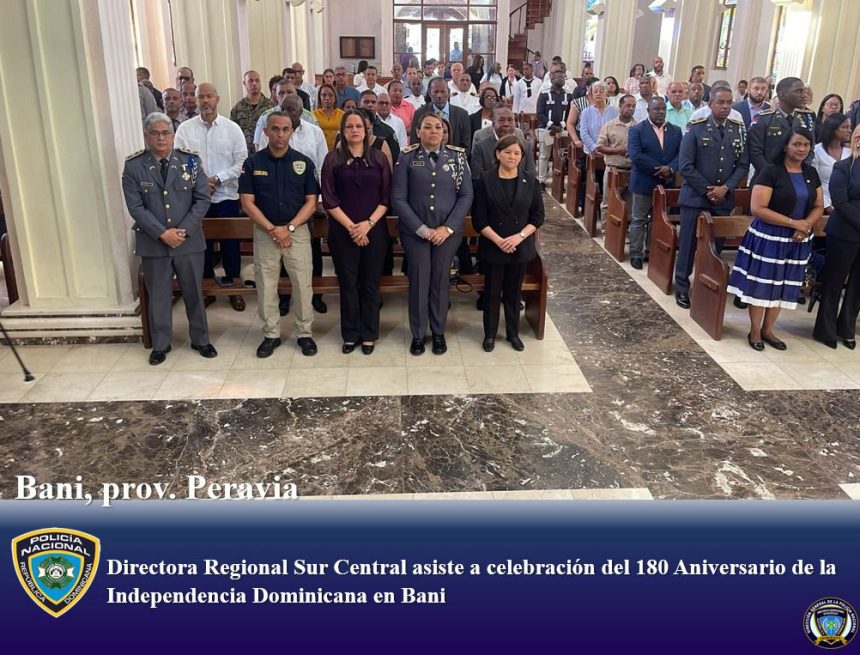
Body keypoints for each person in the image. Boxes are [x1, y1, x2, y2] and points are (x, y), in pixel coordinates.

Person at [122, 112, 216, 365]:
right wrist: (162, 233)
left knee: (194, 292)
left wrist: (182, 231)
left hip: (189, 241)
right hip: (153, 242)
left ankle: (201, 339)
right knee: (159, 295)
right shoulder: (133, 166)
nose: (161, 138)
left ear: (173, 135)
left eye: (166, 132)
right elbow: (136, 207)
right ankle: (161, 344)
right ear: (147, 136)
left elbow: (202, 199)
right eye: (155, 133)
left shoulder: (191, 161)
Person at [727, 127, 823, 350]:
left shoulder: (810, 173)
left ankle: (769, 329)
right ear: (785, 146)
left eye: (806, 145)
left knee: (783, 285)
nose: (801, 149)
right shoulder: (771, 172)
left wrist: (806, 224)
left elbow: (818, 205)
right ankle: (755, 330)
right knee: (763, 285)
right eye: (797, 144)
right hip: (769, 237)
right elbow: (757, 208)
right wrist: (794, 223)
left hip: (798, 240)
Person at [238, 111, 320, 359]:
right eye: (275, 129)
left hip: (297, 232)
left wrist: (290, 228)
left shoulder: (303, 163)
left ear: (291, 132)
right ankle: (271, 333)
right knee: (266, 285)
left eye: (285, 129)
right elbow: (247, 203)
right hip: (266, 232)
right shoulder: (253, 163)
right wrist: (273, 230)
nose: (280, 134)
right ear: (266, 131)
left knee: (303, 284)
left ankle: (304, 333)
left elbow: (311, 202)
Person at [392, 112, 473, 356]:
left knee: (440, 281)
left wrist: (446, 228)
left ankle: (438, 332)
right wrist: (422, 229)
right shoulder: (407, 157)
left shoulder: (458, 157)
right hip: (415, 233)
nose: (433, 131)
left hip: (447, 234)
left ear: (444, 132)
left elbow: (466, 195)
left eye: (438, 127)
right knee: (419, 281)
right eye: (428, 127)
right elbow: (398, 198)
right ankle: (418, 334)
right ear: (418, 131)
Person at [321, 109, 391, 355]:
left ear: (366, 129)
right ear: (343, 130)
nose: (354, 130)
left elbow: (386, 197)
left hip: (374, 230)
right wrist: (352, 227)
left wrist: (367, 225)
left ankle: (369, 333)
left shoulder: (379, 158)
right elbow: (329, 199)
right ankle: (350, 333)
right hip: (343, 232)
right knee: (348, 283)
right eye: (349, 126)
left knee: (370, 283)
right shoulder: (332, 159)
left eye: (358, 126)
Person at [174, 83, 248, 312]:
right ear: (195, 101)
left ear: (217, 99)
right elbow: (179, 161)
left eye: (209, 96)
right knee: (201, 246)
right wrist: (201, 183)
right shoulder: (185, 130)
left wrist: (216, 179)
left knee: (230, 245)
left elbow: (241, 162)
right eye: (200, 97)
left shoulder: (232, 129)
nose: (205, 101)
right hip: (196, 200)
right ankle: (206, 289)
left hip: (226, 196)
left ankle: (234, 289)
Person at [674, 87, 749, 309]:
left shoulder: (738, 130)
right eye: (720, 102)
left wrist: (725, 188)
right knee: (687, 244)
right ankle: (681, 286)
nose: (725, 107)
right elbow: (685, 166)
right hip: (695, 197)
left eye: (729, 103)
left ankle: (706, 284)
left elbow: (743, 164)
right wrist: (709, 190)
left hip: (724, 199)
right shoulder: (696, 128)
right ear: (710, 104)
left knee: (715, 247)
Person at [471, 135, 544, 352]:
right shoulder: (485, 180)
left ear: (522, 157)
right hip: (494, 245)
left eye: (517, 153)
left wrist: (519, 237)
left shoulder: (530, 181)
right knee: (492, 293)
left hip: (520, 247)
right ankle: (490, 335)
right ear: (497, 154)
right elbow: (479, 219)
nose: (512, 157)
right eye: (507, 152)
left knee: (514, 294)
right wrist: (500, 240)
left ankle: (513, 333)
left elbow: (537, 217)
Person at [813, 124, 860, 349]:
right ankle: (825, 329)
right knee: (834, 282)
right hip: (844, 231)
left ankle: (847, 328)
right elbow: (840, 201)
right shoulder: (843, 167)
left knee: (858, 285)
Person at [627, 97, 683, 270]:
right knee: (639, 219)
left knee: (658, 220)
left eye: (663, 109)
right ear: (648, 111)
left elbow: (681, 154)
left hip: (666, 182)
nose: (660, 112)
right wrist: (660, 169)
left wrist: (671, 169)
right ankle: (636, 253)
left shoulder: (675, 130)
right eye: (656, 109)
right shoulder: (637, 130)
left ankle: (652, 251)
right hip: (644, 180)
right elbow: (636, 155)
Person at [748, 77, 815, 184]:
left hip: (797, 178)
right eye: (798, 91)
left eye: (804, 91)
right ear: (782, 94)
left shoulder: (806, 119)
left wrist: (798, 171)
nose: (804, 95)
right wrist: (773, 175)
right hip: (767, 180)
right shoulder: (764, 119)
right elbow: (755, 152)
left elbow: (810, 150)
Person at [595, 94, 637, 224]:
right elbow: (600, 147)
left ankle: (625, 232)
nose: (631, 109)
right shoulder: (609, 126)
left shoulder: (638, 126)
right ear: (620, 106)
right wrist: (618, 150)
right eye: (628, 105)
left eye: (633, 106)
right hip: (613, 169)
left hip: (631, 170)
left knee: (629, 204)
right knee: (609, 202)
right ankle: (606, 229)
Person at [410, 77, 471, 157]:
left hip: (454, 163)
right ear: (429, 93)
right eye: (435, 92)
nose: (439, 95)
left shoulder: (462, 115)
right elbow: (415, 144)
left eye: (443, 92)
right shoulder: (419, 114)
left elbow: (466, 147)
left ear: (448, 92)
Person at [471, 104, 534, 179]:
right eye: (501, 120)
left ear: (515, 123)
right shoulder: (481, 147)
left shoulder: (525, 146)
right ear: (493, 124)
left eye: (510, 120)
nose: (506, 124)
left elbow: (530, 176)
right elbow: (477, 178)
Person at [536, 69, 574, 186]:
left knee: (562, 156)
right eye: (559, 77)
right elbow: (540, 113)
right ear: (552, 79)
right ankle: (541, 181)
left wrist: (561, 126)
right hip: (547, 129)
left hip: (562, 130)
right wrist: (551, 125)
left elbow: (570, 113)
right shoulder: (544, 94)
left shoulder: (568, 95)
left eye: (563, 77)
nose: (562, 79)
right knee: (544, 155)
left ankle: (559, 182)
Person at [813, 114, 852, 211]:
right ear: (832, 128)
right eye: (844, 127)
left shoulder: (850, 153)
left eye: (850, 127)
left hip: (848, 205)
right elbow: (814, 182)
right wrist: (826, 206)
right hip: (823, 203)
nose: (849, 130)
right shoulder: (816, 151)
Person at [230, 70, 275, 154]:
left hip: (266, 152)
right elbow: (233, 134)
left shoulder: (271, 107)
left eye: (257, 80)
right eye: (250, 81)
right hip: (245, 154)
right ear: (244, 83)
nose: (254, 83)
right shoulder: (237, 108)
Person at [312, 84, 344, 151]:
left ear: (335, 97)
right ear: (319, 98)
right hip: (319, 151)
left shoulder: (342, 114)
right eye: (324, 95)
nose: (327, 98)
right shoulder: (313, 115)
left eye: (330, 95)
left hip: (338, 151)